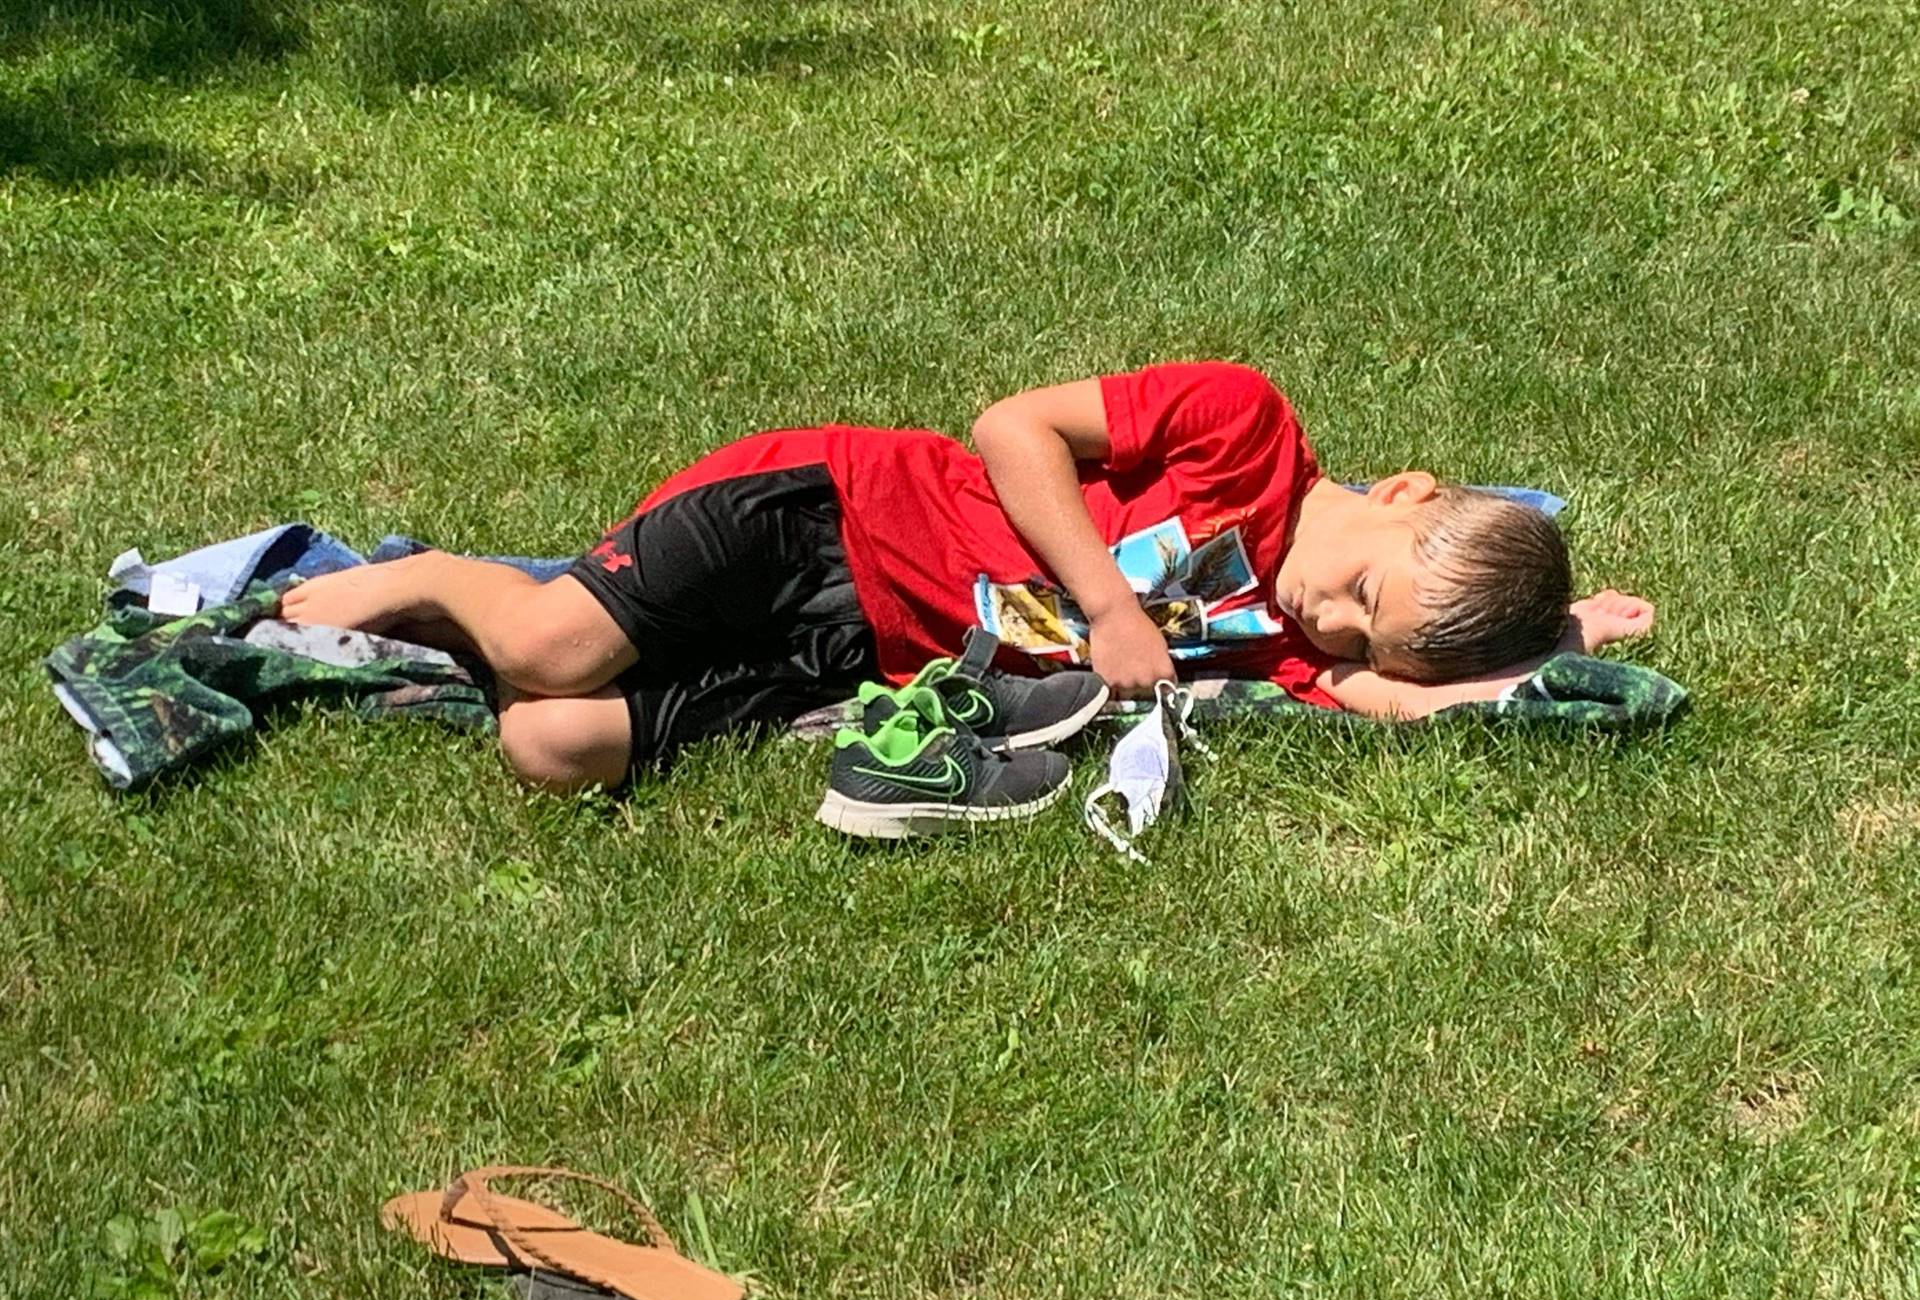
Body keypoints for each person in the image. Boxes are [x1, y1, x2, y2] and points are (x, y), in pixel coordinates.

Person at [281, 361, 1654, 793]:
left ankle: (508, 628)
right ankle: (453, 577)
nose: (1327, 618)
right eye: (1363, 588)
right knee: (549, 651)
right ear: (1404, 490)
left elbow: (1384, 699)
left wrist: (1540, 659)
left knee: (552, 744)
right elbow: (1012, 428)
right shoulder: (1246, 424)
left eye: (1365, 633)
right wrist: (1111, 607)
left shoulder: (1284, 656)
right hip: (821, 514)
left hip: (858, 648)